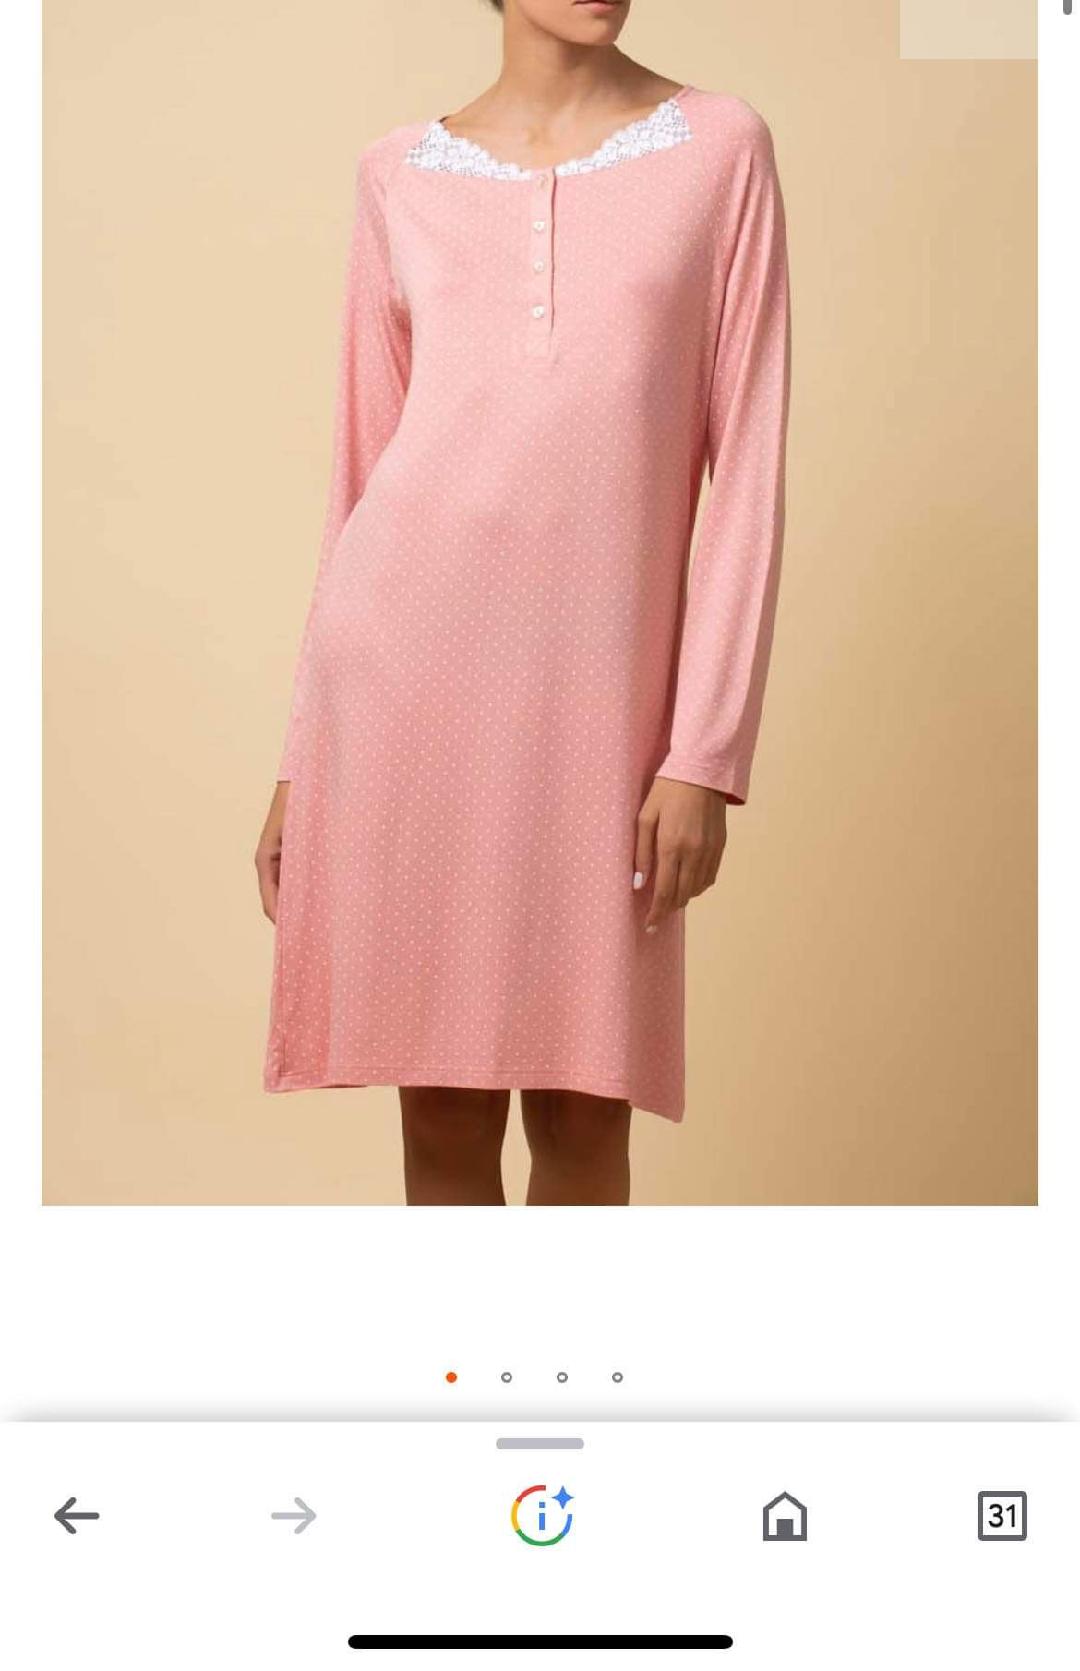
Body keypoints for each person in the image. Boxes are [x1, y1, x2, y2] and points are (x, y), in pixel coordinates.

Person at [255, 0, 791, 1206]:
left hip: (602, 714)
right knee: (442, 1118)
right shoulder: (398, 175)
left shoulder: (719, 148)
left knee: (584, 1117)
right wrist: (300, 760)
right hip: (402, 691)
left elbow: (748, 468)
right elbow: (360, 477)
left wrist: (705, 754)